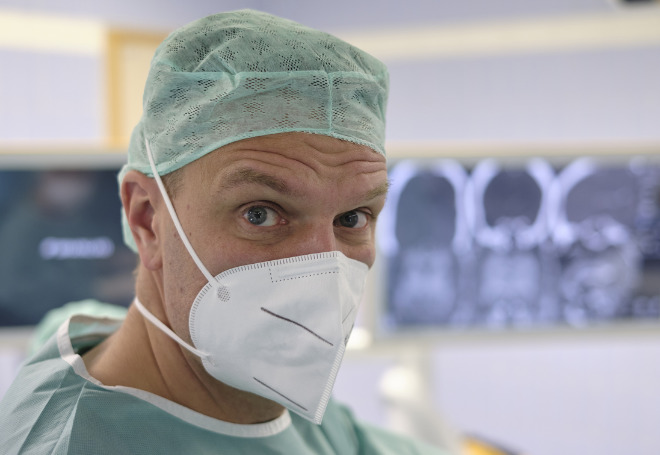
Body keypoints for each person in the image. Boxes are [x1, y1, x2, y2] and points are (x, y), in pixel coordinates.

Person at [0, 9, 452, 455]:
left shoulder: (255, 378)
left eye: (352, 218)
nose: (321, 268)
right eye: (260, 213)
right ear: (146, 220)